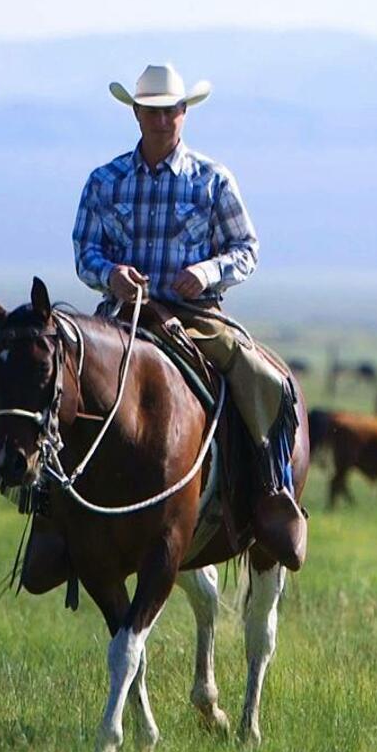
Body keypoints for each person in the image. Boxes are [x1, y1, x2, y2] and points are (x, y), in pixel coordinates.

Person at [72, 63, 306, 569]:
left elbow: (246, 248)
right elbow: (84, 249)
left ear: (184, 113)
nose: (163, 120)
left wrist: (206, 272)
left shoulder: (212, 180)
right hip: (122, 315)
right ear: (136, 113)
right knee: (61, 379)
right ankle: (52, 511)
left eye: (172, 111)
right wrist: (110, 273)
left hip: (194, 313)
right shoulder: (104, 181)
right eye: (153, 111)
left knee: (262, 378)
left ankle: (271, 495)